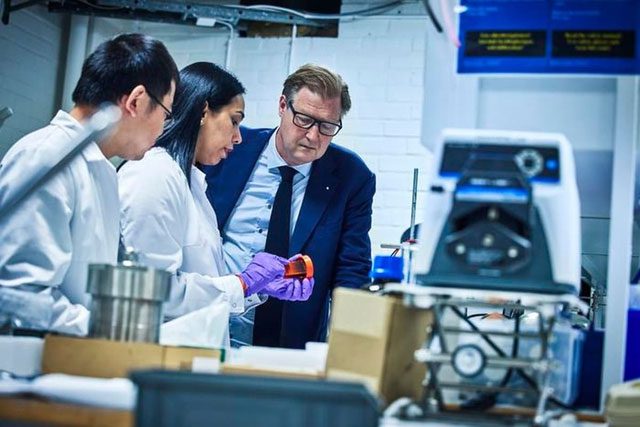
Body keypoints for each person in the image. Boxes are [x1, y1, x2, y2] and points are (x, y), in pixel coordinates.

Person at [0, 33, 179, 335]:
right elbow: (20, 296)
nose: (163, 127)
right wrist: (105, 329)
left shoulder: (100, 169)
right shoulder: (46, 157)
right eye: (166, 113)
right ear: (136, 101)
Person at [118, 62, 314, 325]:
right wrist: (242, 284)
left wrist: (255, 288)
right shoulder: (153, 175)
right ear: (203, 111)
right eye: (233, 122)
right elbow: (151, 290)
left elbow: (204, 281)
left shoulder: (191, 184)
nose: (238, 137)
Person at [204, 64, 375, 349]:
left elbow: (351, 269)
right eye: (304, 119)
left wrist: (349, 348)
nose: (313, 136)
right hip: (212, 326)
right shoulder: (231, 149)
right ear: (283, 105)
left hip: (291, 342)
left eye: (327, 126)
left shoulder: (351, 176)